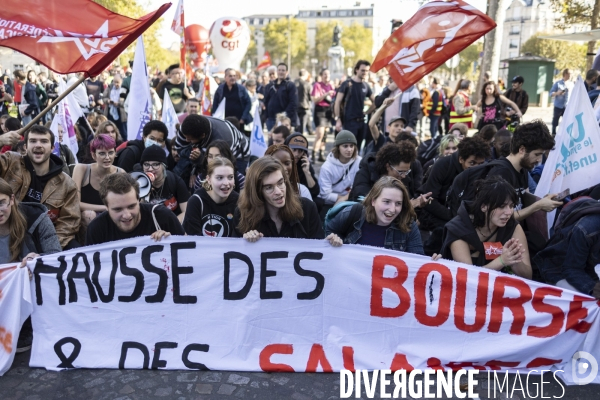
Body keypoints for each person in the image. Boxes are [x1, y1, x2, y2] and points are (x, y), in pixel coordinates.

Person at [0, 177, 61, 353]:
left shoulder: (36, 219)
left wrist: (38, 259)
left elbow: (55, 255)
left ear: (12, 199)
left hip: (31, 290)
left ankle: (27, 325)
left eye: (2, 203)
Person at [0, 125, 80, 249]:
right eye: (33, 141)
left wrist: (47, 247)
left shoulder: (67, 183)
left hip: (43, 240)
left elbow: (68, 223)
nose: (38, 145)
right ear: (25, 147)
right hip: (8, 235)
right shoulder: (10, 162)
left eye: (44, 141)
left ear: (52, 147)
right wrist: (0, 141)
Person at [441, 176, 532, 279]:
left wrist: (514, 258)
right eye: (502, 206)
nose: (509, 213)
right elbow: (468, 278)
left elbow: (528, 277)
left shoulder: (512, 227)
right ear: (483, 206)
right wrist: (501, 261)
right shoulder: (459, 228)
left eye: (511, 206)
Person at [233, 157, 338, 244]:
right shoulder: (243, 214)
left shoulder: (307, 208)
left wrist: (329, 244)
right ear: (257, 192)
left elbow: (318, 250)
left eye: (280, 183)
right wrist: (245, 243)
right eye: (269, 187)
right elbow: (235, 258)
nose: (278, 191)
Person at [326, 176, 424, 254]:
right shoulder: (352, 214)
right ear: (373, 201)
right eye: (386, 202)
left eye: (398, 203)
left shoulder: (409, 225)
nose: (393, 209)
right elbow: (329, 230)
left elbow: (417, 261)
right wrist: (334, 240)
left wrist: (434, 263)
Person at [486, 120, 561, 220]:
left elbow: (524, 201)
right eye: (537, 154)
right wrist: (538, 206)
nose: (539, 160)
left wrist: (543, 200)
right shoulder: (501, 173)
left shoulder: (523, 169)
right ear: (522, 150)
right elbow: (499, 217)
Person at [86, 172, 185, 245]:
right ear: (106, 207)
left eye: (131, 206)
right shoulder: (96, 229)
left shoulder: (163, 217)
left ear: (138, 200)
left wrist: (171, 241)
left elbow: (189, 252)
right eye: (118, 209)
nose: (127, 215)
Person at [417, 136, 491, 231]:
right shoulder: (442, 166)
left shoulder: (483, 169)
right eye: (472, 163)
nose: (476, 168)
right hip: (440, 215)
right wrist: (455, 217)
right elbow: (430, 200)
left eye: (480, 164)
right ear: (461, 159)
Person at [533, 197, 600, 296]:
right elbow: (572, 269)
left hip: (586, 269)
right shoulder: (585, 229)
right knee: (590, 301)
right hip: (558, 270)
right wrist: (592, 288)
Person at [350, 142, 431, 208]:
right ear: (388, 166)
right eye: (400, 172)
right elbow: (362, 204)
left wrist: (417, 204)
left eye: (406, 172)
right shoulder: (365, 173)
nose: (404, 176)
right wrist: (408, 206)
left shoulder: (401, 178)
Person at [72, 134, 124, 228]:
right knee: (89, 215)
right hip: (86, 220)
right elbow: (75, 203)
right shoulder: (81, 169)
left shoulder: (120, 173)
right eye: (102, 153)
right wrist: (105, 208)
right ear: (93, 155)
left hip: (112, 218)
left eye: (111, 152)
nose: (107, 157)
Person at [183, 157, 239, 237]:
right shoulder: (196, 201)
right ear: (209, 179)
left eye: (230, 177)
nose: (226, 183)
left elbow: (239, 237)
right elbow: (193, 239)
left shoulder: (239, 202)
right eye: (219, 178)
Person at [176, 114, 250, 174]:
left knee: (227, 179)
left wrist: (199, 159)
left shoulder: (222, 139)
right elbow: (180, 149)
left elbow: (217, 166)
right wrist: (193, 171)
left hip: (238, 154)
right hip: (207, 147)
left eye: (191, 139)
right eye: (185, 137)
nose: (186, 140)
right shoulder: (185, 127)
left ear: (203, 136)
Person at [140, 145, 189, 222]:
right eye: (146, 164)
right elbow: (136, 214)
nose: (150, 169)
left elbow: (186, 211)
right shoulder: (138, 183)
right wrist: (143, 196)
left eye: (155, 164)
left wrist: (171, 225)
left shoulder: (175, 181)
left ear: (163, 166)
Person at [334, 60, 375, 148]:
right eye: (363, 70)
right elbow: (337, 102)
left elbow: (375, 102)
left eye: (367, 71)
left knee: (358, 148)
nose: (365, 73)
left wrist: (367, 112)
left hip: (361, 121)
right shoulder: (347, 84)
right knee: (348, 148)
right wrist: (338, 119)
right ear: (356, 70)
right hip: (349, 122)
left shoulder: (366, 86)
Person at [318, 130, 362, 210]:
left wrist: (344, 198)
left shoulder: (359, 161)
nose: (349, 149)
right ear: (338, 147)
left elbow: (361, 185)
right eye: (345, 146)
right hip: (330, 204)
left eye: (351, 146)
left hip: (351, 200)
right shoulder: (327, 167)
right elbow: (325, 194)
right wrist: (341, 199)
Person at [284, 133, 320, 201]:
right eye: (294, 150)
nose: (297, 154)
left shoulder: (304, 164)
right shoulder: (279, 162)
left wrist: (307, 172)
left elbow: (315, 192)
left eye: (300, 151)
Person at [264, 63, 298, 130]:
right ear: (277, 71)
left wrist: (284, 115)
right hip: (271, 120)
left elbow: (293, 103)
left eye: (283, 70)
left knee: (284, 140)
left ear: (287, 72)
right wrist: (266, 116)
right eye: (279, 70)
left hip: (284, 120)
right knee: (271, 140)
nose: (281, 72)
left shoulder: (291, 85)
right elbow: (266, 102)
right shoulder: (270, 86)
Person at [311, 68, 335, 161]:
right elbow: (315, 100)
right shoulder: (317, 85)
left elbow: (333, 98)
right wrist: (326, 94)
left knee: (325, 134)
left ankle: (321, 154)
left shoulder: (331, 86)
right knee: (320, 134)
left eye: (328, 74)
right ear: (321, 75)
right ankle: (313, 154)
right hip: (320, 110)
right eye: (325, 74)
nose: (327, 76)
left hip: (328, 111)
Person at [549, 69, 572, 136]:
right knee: (556, 119)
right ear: (565, 74)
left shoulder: (572, 84)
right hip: (558, 105)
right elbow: (551, 93)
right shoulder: (558, 83)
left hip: (567, 106)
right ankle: (553, 132)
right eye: (569, 74)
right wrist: (557, 93)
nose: (570, 76)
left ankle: (566, 133)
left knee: (567, 120)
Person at [295, 69, 312, 135]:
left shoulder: (293, 83)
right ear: (305, 75)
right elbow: (310, 96)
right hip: (304, 106)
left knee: (296, 126)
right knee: (302, 125)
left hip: (296, 106)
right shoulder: (307, 84)